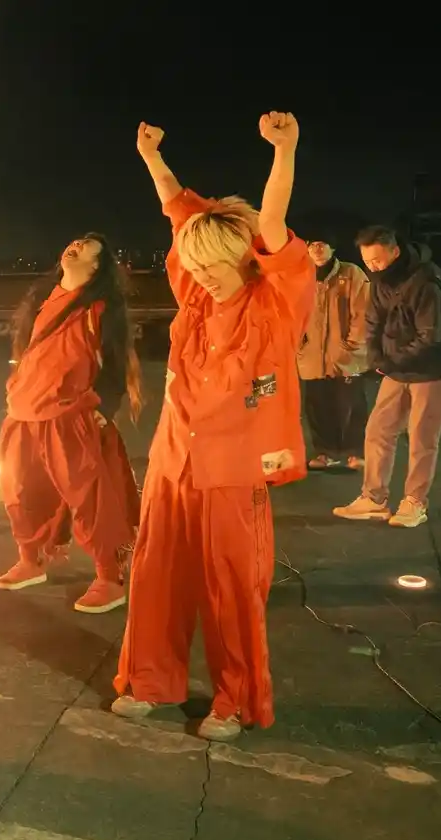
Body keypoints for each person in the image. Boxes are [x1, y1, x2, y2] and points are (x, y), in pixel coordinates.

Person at [112, 114, 315, 742]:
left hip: (234, 465)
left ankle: (234, 699)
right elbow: (178, 210)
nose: (199, 276)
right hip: (175, 457)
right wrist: (152, 157)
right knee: (156, 574)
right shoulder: (197, 297)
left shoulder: (276, 302)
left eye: (212, 266)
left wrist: (284, 152)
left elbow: (273, 221)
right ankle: (150, 680)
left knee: (231, 585)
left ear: (243, 258)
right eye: (193, 266)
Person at [0, 234, 143, 614]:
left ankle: (110, 577)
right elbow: (27, 353)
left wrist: (105, 405)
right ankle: (31, 560)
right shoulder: (41, 300)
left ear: (97, 266)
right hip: (24, 413)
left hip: (69, 415)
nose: (76, 244)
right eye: (75, 240)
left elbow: (115, 362)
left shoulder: (100, 309)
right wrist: (17, 387)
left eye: (87, 245)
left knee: (91, 500)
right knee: (20, 491)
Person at [332, 226, 441, 528]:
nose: (373, 267)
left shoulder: (426, 282)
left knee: (422, 437)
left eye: (377, 260)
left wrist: (391, 361)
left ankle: (415, 502)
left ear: (395, 251)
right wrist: (377, 357)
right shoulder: (380, 281)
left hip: (432, 369)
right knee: (378, 430)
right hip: (396, 367)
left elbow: (431, 336)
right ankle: (374, 499)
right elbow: (373, 320)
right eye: (367, 261)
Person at [297, 237, 371, 470]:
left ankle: (355, 452)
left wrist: (351, 346)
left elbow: (363, 312)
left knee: (351, 405)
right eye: (312, 244)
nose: (317, 249)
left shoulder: (351, 273)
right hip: (311, 355)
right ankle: (325, 452)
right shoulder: (299, 276)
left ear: (333, 247)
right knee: (317, 406)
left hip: (347, 356)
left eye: (323, 244)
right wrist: (298, 344)